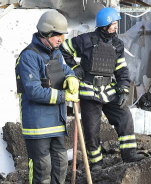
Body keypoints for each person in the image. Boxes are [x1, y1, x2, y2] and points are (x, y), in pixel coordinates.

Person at [61, 7, 144, 169]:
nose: (116, 26)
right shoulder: (84, 40)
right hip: (88, 92)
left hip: (109, 91)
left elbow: (121, 69)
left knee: (125, 117)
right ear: (104, 25)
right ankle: (96, 163)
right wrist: (73, 67)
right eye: (113, 24)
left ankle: (129, 154)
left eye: (116, 23)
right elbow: (64, 49)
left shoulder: (117, 44)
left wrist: (123, 88)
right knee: (91, 131)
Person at [15, 10, 81, 184]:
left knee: (60, 162)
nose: (60, 39)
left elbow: (65, 71)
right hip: (37, 124)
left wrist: (71, 78)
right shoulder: (28, 57)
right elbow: (34, 91)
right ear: (44, 33)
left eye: (62, 35)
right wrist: (64, 97)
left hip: (56, 121)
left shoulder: (56, 53)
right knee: (42, 166)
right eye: (56, 35)